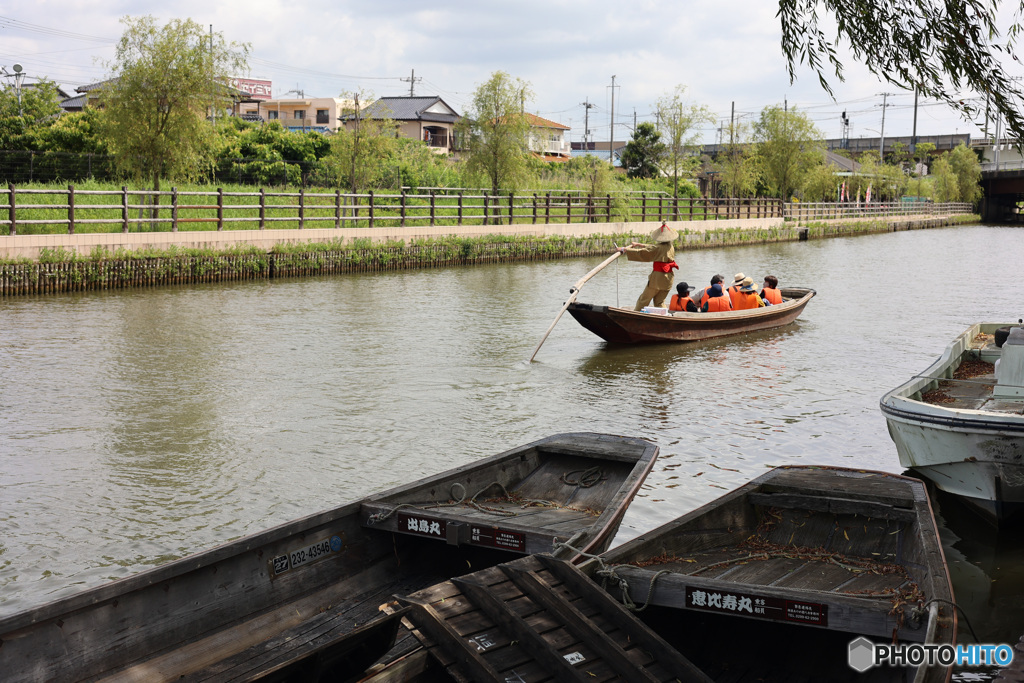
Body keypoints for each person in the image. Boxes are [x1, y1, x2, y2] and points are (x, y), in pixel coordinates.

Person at [616, 221, 678, 311]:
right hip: (668, 278)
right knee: (659, 302)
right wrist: (639, 245)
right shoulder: (670, 246)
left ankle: (636, 316)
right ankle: (665, 317)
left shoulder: (658, 248)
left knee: (643, 300)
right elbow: (654, 247)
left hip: (657, 278)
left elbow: (644, 253)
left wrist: (624, 249)